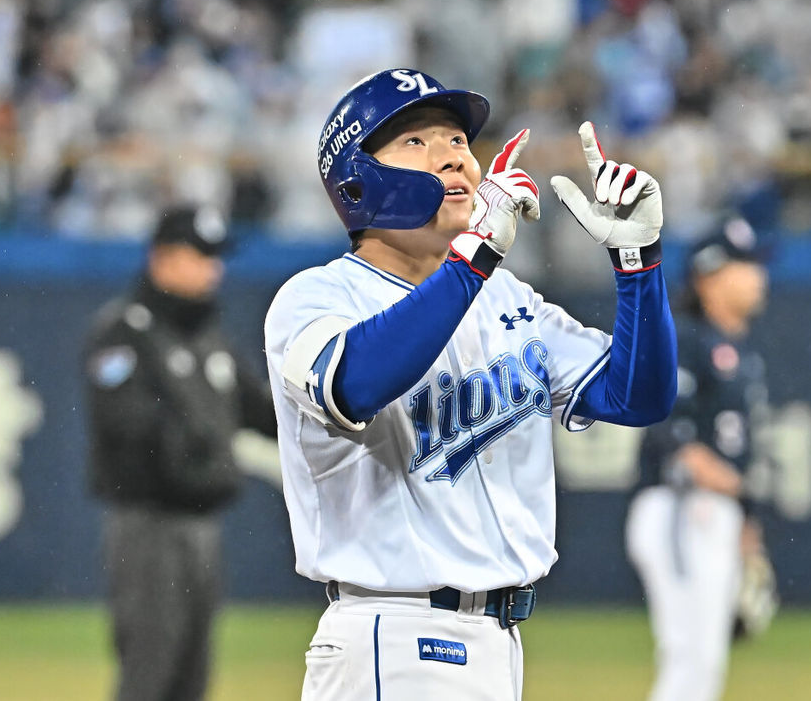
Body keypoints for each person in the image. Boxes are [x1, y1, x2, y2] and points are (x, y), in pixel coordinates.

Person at [264, 68, 679, 701]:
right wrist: (475, 256)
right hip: (394, 636)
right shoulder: (316, 298)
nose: (454, 156)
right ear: (357, 179)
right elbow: (356, 381)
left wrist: (638, 263)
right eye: (416, 141)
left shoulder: (507, 298)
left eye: (458, 140)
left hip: (498, 643)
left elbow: (638, 395)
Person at [84, 205, 277, 701]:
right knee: (150, 672)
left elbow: (266, 414)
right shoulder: (124, 330)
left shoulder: (209, 337)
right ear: (163, 259)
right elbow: (125, 425)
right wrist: (203, 446)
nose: (215, 269)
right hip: (149, 525)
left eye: (216, 257)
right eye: (201, 255)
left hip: (203, 526)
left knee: (192, 675)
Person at [625, 215, 772, 701]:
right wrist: (734, 493)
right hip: (682, 507)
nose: (758, 277)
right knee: (690, 659)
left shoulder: (738, 350)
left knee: (703, 663)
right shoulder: (685, 336)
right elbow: (669, 430)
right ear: (709, 274)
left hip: (712, 514)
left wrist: (745, 521)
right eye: (744, 266)